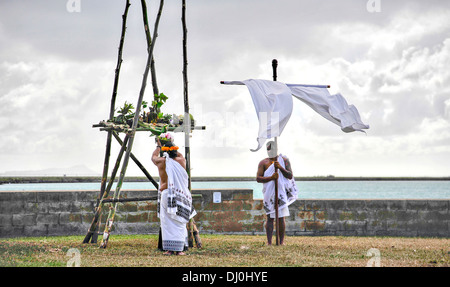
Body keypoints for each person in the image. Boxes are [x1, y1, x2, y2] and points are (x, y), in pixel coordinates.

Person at [152, 133, 196, 255]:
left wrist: (158, 146)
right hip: (180, 196)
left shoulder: (161, 161)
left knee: (167, 222)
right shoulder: (181, 160)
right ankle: (180, 250)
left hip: (167, 194)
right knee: (180, 221)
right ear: (175, 150)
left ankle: (169, 249)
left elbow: (153, 156)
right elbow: (179, 154)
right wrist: (170, 142)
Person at [256, 141, 298, 245]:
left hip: (281, 193)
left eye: (272, 149)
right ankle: (269, 242)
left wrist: (280, 168)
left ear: (276, 149)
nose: (270, 152)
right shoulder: (263, 163)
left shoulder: (283, 160)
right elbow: (258, 178)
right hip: (269, 194)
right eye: (268, 150)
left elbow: (290, 175)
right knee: (270, 217)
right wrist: (271, 177)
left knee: (281, 217)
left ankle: (281, 241)